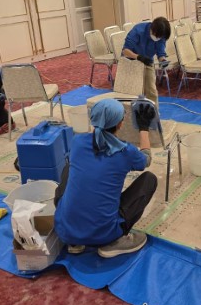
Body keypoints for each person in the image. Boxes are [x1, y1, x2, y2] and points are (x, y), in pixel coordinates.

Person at [54, 98, 157, 258]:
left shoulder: (78, 142)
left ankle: (75, 243)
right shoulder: (126, 152)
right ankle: (114, 242)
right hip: (103, 235)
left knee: (69, 168)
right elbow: (146, 159)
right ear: (120, 124)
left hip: (65, 230)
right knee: (149, 179)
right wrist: (143, 128)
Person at [122, 17, 171, 106]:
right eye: (158, 36)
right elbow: (125, 51)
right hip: (131, 60)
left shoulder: (161, 35)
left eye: (161, 37)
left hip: (147, 61)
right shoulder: (138, 31)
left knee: (151, 90)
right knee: (133, 90)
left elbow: (160, 52)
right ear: (153, 30)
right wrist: (139, 57)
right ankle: (130, 111)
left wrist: (163, 60)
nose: (159, 39)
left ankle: (154, 111)